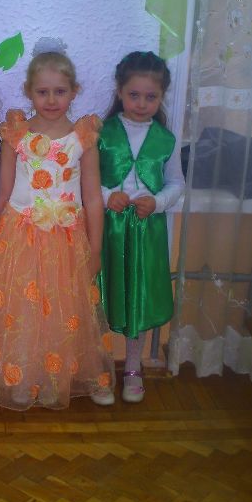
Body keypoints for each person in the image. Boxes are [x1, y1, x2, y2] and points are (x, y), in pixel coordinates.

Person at [0, 38, 115, 410]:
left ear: (74, 91)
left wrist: (96, 249)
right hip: (20, 237)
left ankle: (70, 376)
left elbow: (94, 198)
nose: (51, 99)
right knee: (23, 309)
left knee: (69, 310)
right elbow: (2, 191)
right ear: (29, 91)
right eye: (42, 91)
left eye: (60, 91)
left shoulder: (83, 138)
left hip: (68, 240)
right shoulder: (16, 134)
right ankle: (24, 376)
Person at [98, 51, 185, 403]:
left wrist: (158, 202)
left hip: (147, 231)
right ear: (120, 91)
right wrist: (107, 196)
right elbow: (81, 180)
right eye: (134, 95)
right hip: (107, 229)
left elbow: (176, 182)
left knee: (138, 296)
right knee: (101, 294)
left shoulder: (166, 139)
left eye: (151, 96)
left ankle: (133, 366)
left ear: (161, 97)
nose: (142, 103)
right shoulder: (100, 133)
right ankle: (100, 366)